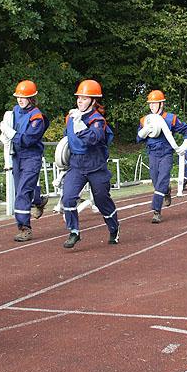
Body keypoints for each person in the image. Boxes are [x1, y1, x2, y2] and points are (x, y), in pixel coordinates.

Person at [60, 80, 120, 248]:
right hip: (76, 165)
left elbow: (93, 138)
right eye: (79, 97)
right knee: (68, 198)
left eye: (85, 98)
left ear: (93, 101)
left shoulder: (98, 120)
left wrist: (80, 124)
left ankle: (114, 228)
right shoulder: (70, 118)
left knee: (101, 200)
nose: (80, 101)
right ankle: (74, 232)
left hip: (96, 166)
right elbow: (67, 139)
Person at [0, 80, 50, 242]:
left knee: (22, 192)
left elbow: (27, 140)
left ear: (31, 98)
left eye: (24, 97)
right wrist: (5, 134)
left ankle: (24, 228)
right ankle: (39, 200)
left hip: (31, 157)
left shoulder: (37, 117)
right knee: (21, 189)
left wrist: (10, 133)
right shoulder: (15, 111)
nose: (20, 100)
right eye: (18, 97)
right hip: (17, 156)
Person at [136, 90, 187, 224]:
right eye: (150, 104)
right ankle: (166, 190)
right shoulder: (145, 120)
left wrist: (184, 145)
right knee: (156, 181)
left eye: (154, 103)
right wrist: (144, 131)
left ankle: (156, 211)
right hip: (152, 154)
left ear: (161, 104)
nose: (151, 106)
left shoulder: (170, 118)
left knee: (162, 179)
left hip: (166, 153)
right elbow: (138, 139)